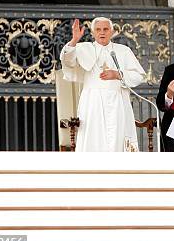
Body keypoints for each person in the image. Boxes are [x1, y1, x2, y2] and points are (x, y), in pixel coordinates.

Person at [59, 17, 146, 151]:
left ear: (112, 32)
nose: (102, 32)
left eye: (106, 29)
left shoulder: (123, 51)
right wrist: (74, 40)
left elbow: (139, 75)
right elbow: (67, 61)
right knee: (93, 139)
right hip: (92, 103)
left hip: (118, 102)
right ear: (93, 33)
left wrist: (117, 74)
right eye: (98, 29)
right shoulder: (83, 49)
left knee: (117, 138)